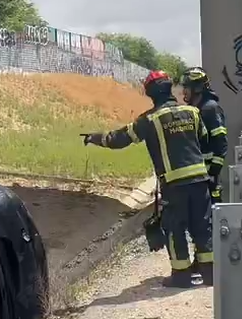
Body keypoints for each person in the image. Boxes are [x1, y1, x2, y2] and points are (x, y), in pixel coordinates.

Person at [84, 70, 214, 287]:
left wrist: (95, 138)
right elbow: (204, 139)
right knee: (203, 226)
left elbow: (120, 139)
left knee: (175, 228)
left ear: (151, 93)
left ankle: (181, 276)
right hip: (200, 180)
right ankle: (210, 274)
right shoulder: (193, 112)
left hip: (174, 184)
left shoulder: (150, 119)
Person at [180, 67, 229, 203]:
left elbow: (221, 141)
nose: (184, 91)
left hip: (208, 174)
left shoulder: (210, 108)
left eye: (187, 87)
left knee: (211, 210)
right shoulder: (196, 109)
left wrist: (214, 170)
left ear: (197, 88)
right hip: (198, 174)